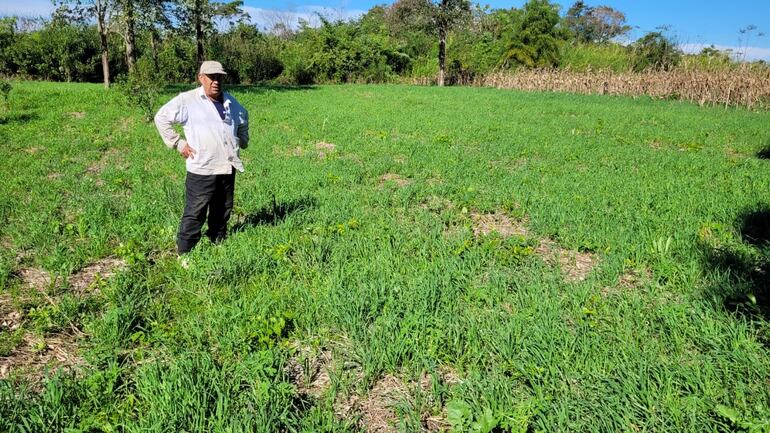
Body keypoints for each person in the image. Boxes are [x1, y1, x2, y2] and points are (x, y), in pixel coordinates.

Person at [154, 60, 249, 255]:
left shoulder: (231, 102)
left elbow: (243, 118)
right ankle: (185, 253)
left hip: (227, 166)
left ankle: (218, 242)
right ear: (201, 78)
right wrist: (178, 143)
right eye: (212, 77)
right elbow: (161, 117)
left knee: (223, 209)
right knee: (195, 212)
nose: (216, 81)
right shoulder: (188, 100)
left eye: (220, 77)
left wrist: (243, 138)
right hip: (202, 168)